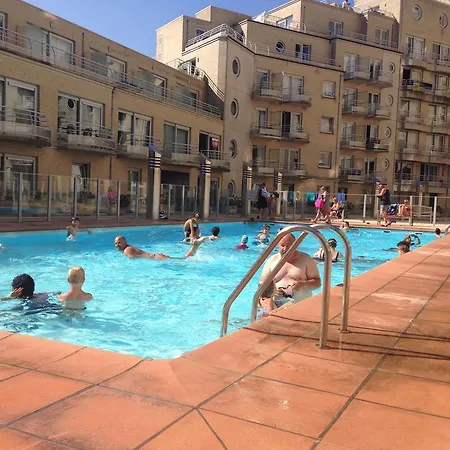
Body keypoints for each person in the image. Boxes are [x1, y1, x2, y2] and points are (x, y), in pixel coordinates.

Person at [258, 233, 321, 313]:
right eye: (282, 245)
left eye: (289, 245)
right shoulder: (272, 261)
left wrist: (302, 284)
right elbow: (262, 286)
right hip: (276, 306)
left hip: (300, 307)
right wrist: (274, 291)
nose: (285, 249)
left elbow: (317, 283)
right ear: (277, 244)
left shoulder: (306, 259)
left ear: (295, 245)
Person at [115, 235, 203, 259]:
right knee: (182, 259)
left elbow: (133, 259)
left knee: (184, 260)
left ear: (125, 242)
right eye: (115, 243)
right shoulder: (129, 248)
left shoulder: (127, 250)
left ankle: (195, 246)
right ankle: (195, 246)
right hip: (156, 257)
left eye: (119, 243)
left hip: (156, 258)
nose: (117, 245)